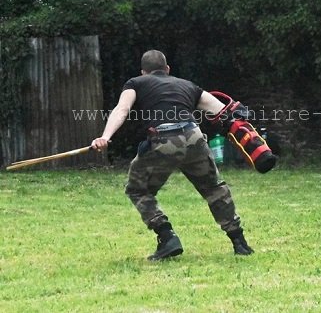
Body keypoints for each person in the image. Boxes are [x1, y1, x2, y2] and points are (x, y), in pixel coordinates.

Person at [92, 50, 254, 260]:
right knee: (214, 188)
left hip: (164, 140)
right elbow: (222, 110)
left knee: (137, 189)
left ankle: (167, 236)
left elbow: (122, 109)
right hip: (194, 137)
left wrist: (105, 136)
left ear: (143, 72)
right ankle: (239, 242)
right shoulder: (188, 85)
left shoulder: (136, 83)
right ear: (167, 69)